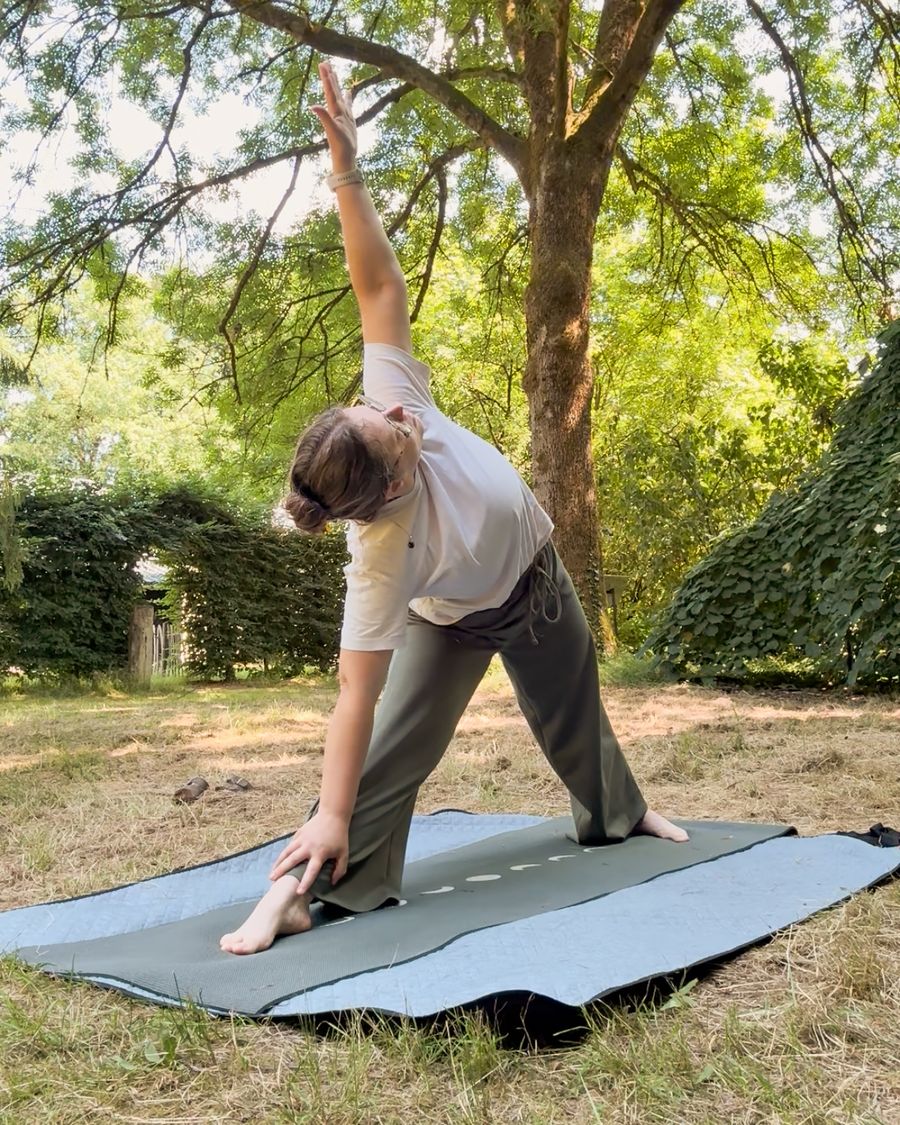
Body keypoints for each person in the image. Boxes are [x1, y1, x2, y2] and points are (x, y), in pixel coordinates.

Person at [220, 61, 688, 956]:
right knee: (383, 761)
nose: (400, 413)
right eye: (393, 432)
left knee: (575, 703)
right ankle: (302, 888)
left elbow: (379, 288)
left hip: (537, 582)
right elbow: (352, 699)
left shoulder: (393, 401)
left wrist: (347, 170)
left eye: (378, 406)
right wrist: (331, 811)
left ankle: (621, 817)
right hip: (454, 619)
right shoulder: (383, 556)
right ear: (388, 489)